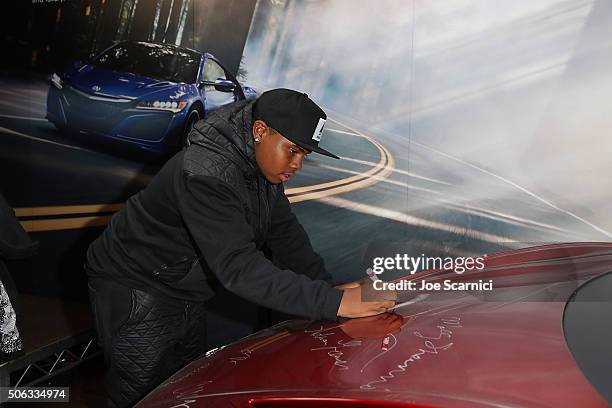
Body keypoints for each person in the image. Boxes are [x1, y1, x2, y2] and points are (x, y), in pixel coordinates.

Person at [85, 88, 395, 407]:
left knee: (182, 390)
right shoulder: (208, 172)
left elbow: (285, 233)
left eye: (305, 154)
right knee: (142, 397)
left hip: (180, 284)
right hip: (136, 283)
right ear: (260, 131)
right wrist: (333, 302)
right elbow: (238, 267)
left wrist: (328, 288)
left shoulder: (259, 166)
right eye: (293, 150)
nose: (298, 163)